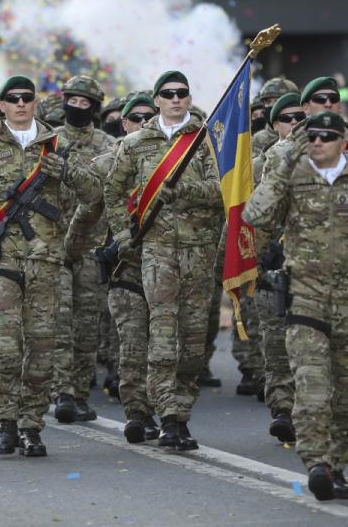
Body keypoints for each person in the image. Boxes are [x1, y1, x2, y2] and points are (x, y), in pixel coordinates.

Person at [242, 111, 348, 502]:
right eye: (312, 136)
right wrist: (283, 164)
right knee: (311, 386)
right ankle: (317, 463)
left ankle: (338, 465)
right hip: (305, 298)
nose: (317, 142)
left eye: (327, 136)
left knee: (345, 396)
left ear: (344, 141)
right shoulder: (293, 174)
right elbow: (254, 214)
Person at [0, 75, 98, 458]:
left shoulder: (56, 145)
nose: (21, 104)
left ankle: (31, 426)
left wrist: (67, 172)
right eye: (13, 99)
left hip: (46, 261)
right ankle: (5, 423)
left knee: (42, 349)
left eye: (27, 98)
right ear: (3, 105)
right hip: (3, 262)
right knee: (5, 346)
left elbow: (94, 193)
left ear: (36, 103)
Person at [103, 70, 223, 451]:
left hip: (199, 252)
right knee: (163, 333)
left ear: (188, 98)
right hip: (155, 252)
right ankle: (169, 417)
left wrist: (184, 189)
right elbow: (114, 190)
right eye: (168, 94)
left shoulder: (207, 140)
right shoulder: (136, 144)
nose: (175, 99)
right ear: (156, 100)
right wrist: (123, 234)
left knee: (192, 342)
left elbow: (225, 190)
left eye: (182, 93)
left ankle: (181, 410)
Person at [67, 93, 161, 443]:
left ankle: (169, 411)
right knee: (134, 344)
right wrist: (73, 250)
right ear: (124, 124)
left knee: (168, 346)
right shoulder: (107, 163)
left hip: (167, 264)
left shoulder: (175, 164)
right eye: (135, 119)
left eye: (148, 117)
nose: (142, 124)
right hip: (125, 266)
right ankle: (138, 412)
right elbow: (86, 209)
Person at [52, 75, 115, 424]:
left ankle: (79, 390)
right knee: (61, 321)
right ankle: (61, 390)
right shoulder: (50, 141)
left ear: (94, 107)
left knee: (88, 323)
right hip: (54, 244)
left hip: (91, 245)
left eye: (84, 102)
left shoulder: (108, 145)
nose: (77, 107)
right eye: (72, 101)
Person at [251, 93, 305, 443]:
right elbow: (251, 214)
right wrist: (257, 256)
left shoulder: (331, 154)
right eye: (287, 118)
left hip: (316, 263)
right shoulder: (263, 161)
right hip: (276, 262)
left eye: (301, 115)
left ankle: (310, 411)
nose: (295, 123)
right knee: (275, 339)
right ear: (274, 126)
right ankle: (283, 408)